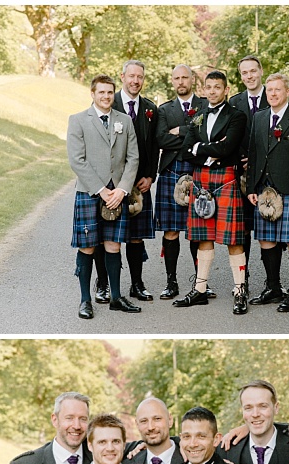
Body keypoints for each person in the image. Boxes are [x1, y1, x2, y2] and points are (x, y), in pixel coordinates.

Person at [171, 69, 250, 314]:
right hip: (201, 180)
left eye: (218, 87)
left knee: (233, 239)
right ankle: (200, 289)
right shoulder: (197, 116)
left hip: (226, 179)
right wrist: (209, 151)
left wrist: (200, 148)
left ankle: (240, 290)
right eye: (209, 87)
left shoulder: (237, 116)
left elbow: (228, 148)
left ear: (226, 90)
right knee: (204, 236)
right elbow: (186, 151)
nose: (213, 91)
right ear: (203, 89)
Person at [67, 73, 140, 319]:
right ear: (93, 93)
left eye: (110, 92)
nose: (106, 96)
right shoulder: (78, 120)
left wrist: (122, 189)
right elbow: (77, 160)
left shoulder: (125, 120)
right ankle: (85, 300)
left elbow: (133, 158)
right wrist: (101, 189)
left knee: (113, 244)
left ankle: (116, 298)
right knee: (87, 246)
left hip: (117, 193)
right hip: (90, 191)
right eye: (101, 92)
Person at [246, 72, 289, 313]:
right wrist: (251, 187)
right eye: (270, 90)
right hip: (264, 191)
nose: (273, 94)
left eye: (277, 89)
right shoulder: (259, 118)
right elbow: (254, 154)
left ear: (287, 92)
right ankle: (273, 287)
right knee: (266, 240)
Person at [93, 59, 158, 304]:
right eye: (131, 76)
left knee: (136, 237)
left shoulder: (150, 109)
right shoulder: (109, 102)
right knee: (106, 237)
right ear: (122, 77)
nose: (135, 81)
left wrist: (150, 176)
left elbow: (153, 147)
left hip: (139, 184)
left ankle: (137, 284)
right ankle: (103, 284)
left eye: (139, 77)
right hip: (111, 185)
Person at [155, 64, 209, 300]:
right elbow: (161, 139)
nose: (181, 82)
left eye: (184, 77)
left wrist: (180, 131)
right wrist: (192, 138)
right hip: (171, 171)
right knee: (171, 231)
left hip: (198, 172)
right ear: (172, 81)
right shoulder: (164, 109)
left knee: (198, 232)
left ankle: (201, 283)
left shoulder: (205, 105)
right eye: (176, 78)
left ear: (192, 79)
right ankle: (171, 282)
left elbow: (207, 135)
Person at [229, 54, 270, 286]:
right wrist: (241, 159)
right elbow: (229, 138)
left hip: (269, 174)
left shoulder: (273, 96)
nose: (249, 76)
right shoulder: (234, 102)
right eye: (244, 73)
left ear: (261, 71)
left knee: (267, 229)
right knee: (243, 229)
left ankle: (272, 283)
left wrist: (259, 161)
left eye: (253, 71)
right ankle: (242, 279)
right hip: (241, 175)